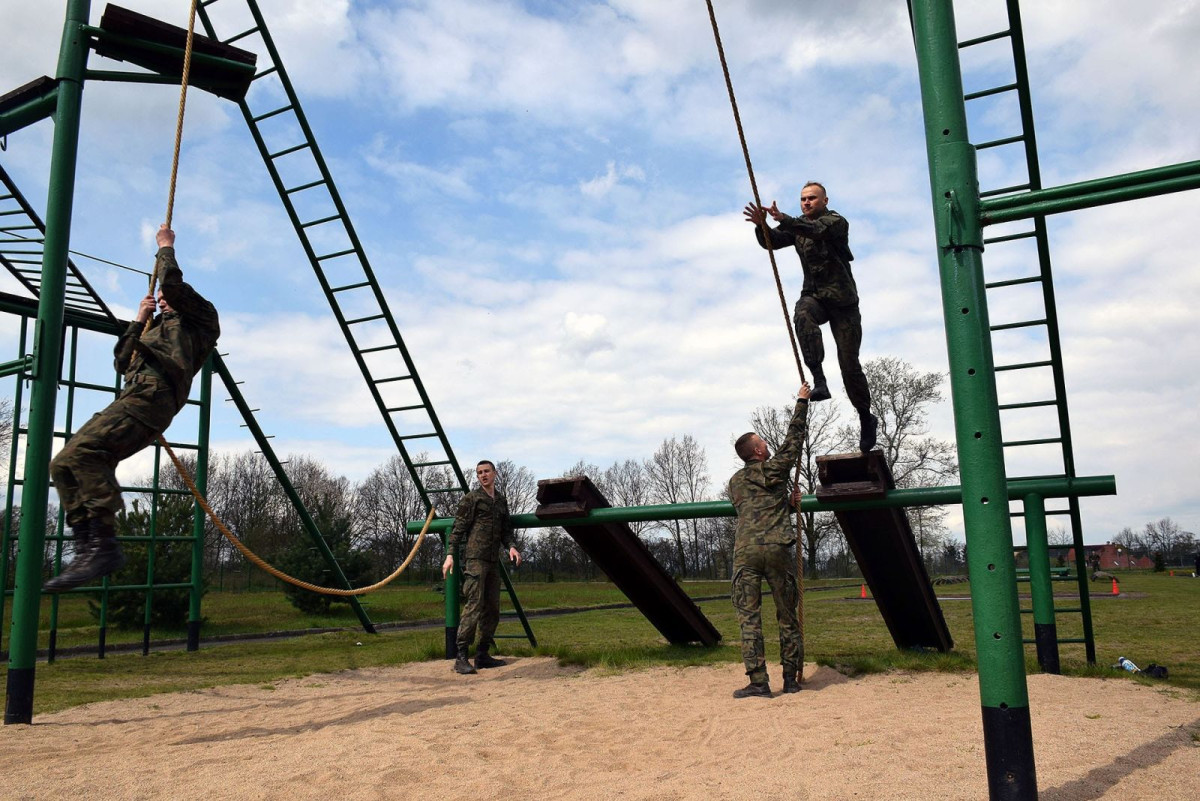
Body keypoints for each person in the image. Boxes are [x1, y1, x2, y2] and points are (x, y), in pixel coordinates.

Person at [44, 225, 220, 592]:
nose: (164, 298)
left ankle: (104, 545)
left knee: (85, 454)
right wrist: (139, 319)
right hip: (133, 397)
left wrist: (166, 248)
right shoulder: (153, 330)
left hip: (154, 399)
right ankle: (87, 545)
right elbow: (122, 361)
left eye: (168, 296)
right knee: (62, 464)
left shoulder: (200, 322)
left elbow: (172, 286)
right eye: (161, 298)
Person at [744, 182, 878, 452]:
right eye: (803, 199)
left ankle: (865, 415)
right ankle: (819, 381)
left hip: (843, 303)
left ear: (825, 200)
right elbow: (771, 243)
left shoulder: (835, 221)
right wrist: (762, 226)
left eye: (812, 198)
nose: (806, 203)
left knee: (849, 364)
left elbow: (816, 231)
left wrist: (784, 219)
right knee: (802, 314)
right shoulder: (797, 225)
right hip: (815, 296)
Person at [727, 382, 811, 698]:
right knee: (787, 615)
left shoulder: (735, 482)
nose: (767, 445)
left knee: (749, 619)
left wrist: (785, 501)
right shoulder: (773, 470)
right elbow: (793, 444)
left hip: (746, 551)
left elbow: (753, 507)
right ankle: (790, 680)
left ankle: (759, 683)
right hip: (776, 547)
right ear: (759, 452)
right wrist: (801, 402)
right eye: (763, 442)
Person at [443, 460, 522, 674]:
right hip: (475, 559)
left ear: (495, 473)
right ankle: (461, 656)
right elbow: (458, 528)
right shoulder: (472, 499)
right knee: (474, 605)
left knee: (492, 608)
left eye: (487, 471)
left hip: (493, 560)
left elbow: (507, 530)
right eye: (479, 473)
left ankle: (482, 654)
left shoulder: (501, 501)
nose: (483, 475)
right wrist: (450, 555)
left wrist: (512, 547)